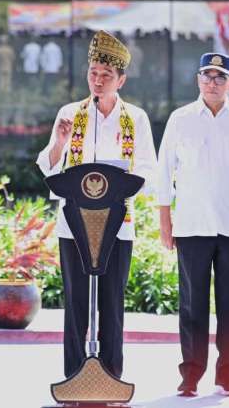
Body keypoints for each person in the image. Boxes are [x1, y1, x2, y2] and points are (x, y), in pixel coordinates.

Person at [36, 30, 157, 379]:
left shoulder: (135, 118)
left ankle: (111, 376)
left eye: (106, 76)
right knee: (75, 304)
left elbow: (147, 168)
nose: (98, 81)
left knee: (111, 304)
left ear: (121, 79)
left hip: (118, 225)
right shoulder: (70, 114)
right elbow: (49, 166)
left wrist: (117, 193)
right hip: (73, 226)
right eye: (93, 74)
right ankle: (75, 376)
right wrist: (59, 142)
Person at [157, 52, 229, 397]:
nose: (213, 82)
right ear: (197, 79)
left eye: (221, 77)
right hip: (191, 225)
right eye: (207, 75)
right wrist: (165, 221)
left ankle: (228, 376)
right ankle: (190, 375)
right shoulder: (180, 119)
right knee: (192, 304)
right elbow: (163, 173)